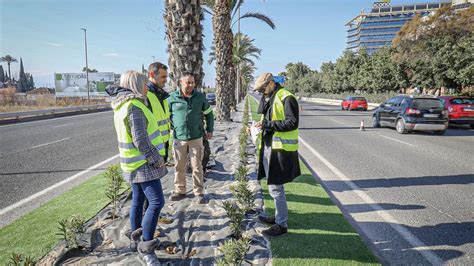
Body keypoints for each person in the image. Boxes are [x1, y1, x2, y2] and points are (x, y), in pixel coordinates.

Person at [106, 70, 166, 265]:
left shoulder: (121, 105)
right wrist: (156, 158)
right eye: (144, 84)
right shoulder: (134, 106)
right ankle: (146, 248)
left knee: (138, 200)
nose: (147, 88)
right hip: (143, 163)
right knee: (156, 202)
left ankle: (136, 237)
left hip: (131, 163)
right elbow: (140, 139)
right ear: (135, 86)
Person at [253, 72, 301, 237]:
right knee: (273, 186)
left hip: (280, 149)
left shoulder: (286, 97)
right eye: (259, 91)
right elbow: (262, 112)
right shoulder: (271, 98)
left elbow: (292, 122)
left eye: (262, 89)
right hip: (269, 146)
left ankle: (281, 225)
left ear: (271, 83)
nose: (261, 93)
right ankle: (278, 217)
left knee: (276, 187)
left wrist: (268, 124)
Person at [167, 73, 214, 204]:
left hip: (196, 138)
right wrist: (173, 127)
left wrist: (209, 129)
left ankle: (198, 192)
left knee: (197, 166)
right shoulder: (172, 98)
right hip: (178, 139)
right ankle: (179, 190)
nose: (191, 85)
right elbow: (166, 116)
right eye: (188, 83)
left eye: (193, 82)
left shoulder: (200, 97)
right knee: (179, 166)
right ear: (180, 83)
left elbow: (209, 114)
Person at [147, 62, 171, 163]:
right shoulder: (146, 95)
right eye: (163, 77)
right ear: (152, 75)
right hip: (153, 149)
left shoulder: (162, 95)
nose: (166, 80)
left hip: (163, 146)